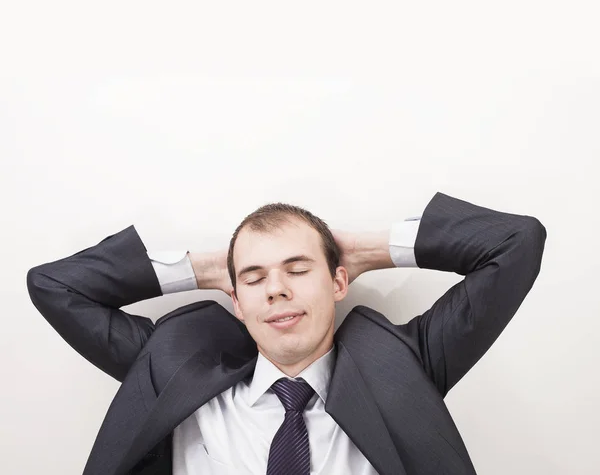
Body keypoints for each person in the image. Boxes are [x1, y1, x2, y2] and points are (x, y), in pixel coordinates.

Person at [26, 191, 547, 475]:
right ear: (234, 297)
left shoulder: (406, 363)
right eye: (253, 278)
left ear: (338, 280)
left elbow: (516, 243)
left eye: (297, 270)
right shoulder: (172, 366)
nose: (275, 289)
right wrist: (210, 268)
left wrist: (367, 249)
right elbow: (53, 285)